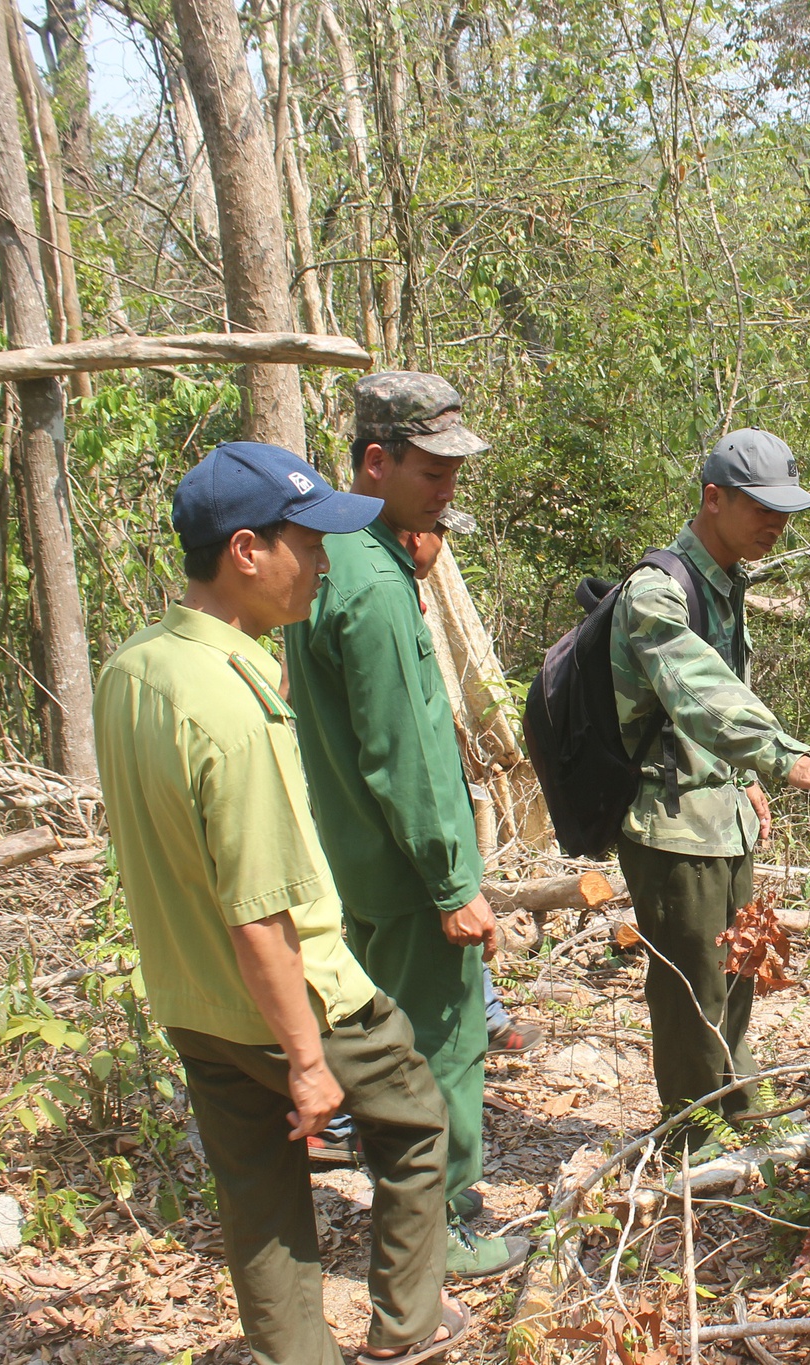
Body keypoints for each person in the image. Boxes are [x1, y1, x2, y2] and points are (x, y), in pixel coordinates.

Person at [94, 441, 470, 1365]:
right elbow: (258, 911)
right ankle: (407, 1328)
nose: (325, 564)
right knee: (419, 1125)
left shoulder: (134, 670)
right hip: (298, 996)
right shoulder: (231, 706)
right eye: (308, 543)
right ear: (247, 552)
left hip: (192, 999)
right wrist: (307, 1058)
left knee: (258, 1190)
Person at [283, 373, 529, 1277]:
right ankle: (442, 1230)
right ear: (375, 462)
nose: (449, 486)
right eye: (433, 469)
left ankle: (413, 1216)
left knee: (393, 1047)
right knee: (442, 1045)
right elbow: (407, 755)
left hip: (359, 863)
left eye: (456, 467)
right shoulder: (373, 585)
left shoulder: (332, 559)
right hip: (406, 874)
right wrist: (453, 883)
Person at [612, 428, 810, 1142]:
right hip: (670, 821)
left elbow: (716, 695)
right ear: (713, 498)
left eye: (785, 509)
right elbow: (698, 692)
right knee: (694, 988)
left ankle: (739, 1114)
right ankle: (692, 1142)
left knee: (736, 970)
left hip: (719, 811)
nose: (776, 524)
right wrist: (784, 758)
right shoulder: (655, 592)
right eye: (760, 506)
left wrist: (743, 779)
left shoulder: (726, 582)